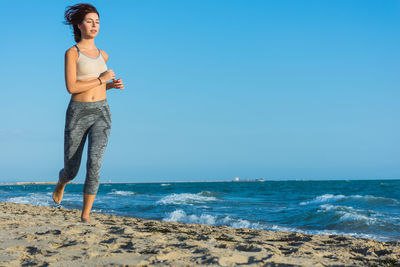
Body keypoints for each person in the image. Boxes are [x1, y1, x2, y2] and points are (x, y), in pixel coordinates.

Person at [52, 3, 124, 223]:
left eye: (98, 22)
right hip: (78, 112)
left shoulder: (103, 54)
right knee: (72, 169)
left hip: (102, 112)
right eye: (90, 21)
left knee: (94, 163)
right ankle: (62, 181)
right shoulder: (72, 53)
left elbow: (96, 86)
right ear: (79, 25)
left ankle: (85, 215)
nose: (94, 26)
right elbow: (72, 87)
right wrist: (102, 79)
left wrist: (110, 86)